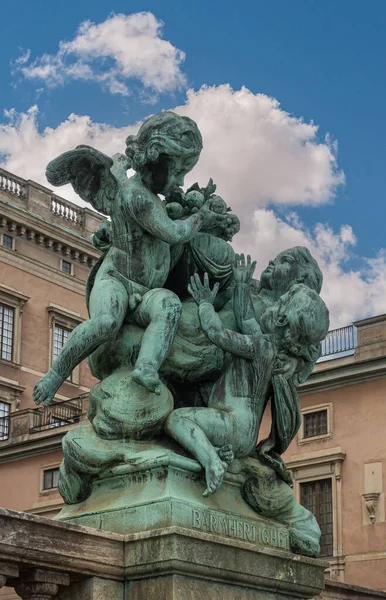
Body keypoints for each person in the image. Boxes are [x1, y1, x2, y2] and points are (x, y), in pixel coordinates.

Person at [33, 112, 230, 407]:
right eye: (176, 171)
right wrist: (202, 216)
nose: (180, 180)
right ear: (154, 158)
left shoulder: (150, 196)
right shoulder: (135, 196)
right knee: (107, 322)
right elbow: (174, 232)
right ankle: (56, 374)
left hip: (146, 291)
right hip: (118, 281)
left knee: (169, 305)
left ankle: (146, 367)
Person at [165, 262, 329, 497]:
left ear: (282, 321)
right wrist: (242, 285)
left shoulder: (261, 347)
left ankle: (212, 462)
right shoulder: (273, 352)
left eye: (281, 303)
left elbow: (217, 333)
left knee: (177, 420)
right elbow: (247, 319)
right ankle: (219, 452)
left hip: (232, 423)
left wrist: (205, 304)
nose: (275, 303)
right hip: (243, 433)